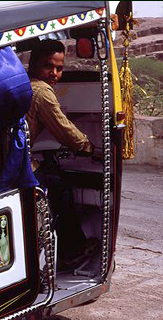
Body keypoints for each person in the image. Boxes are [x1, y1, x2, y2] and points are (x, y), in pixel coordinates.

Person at [26, 39, 99, 267]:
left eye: (59, 68)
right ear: (34, 65)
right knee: (60, 186)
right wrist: (89, 147)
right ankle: (72, 249)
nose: (54, 73)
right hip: (21, 166)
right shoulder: (41, 91)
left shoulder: (24, 85)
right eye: (48, 66)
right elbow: (64, 130)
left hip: (13, 160)